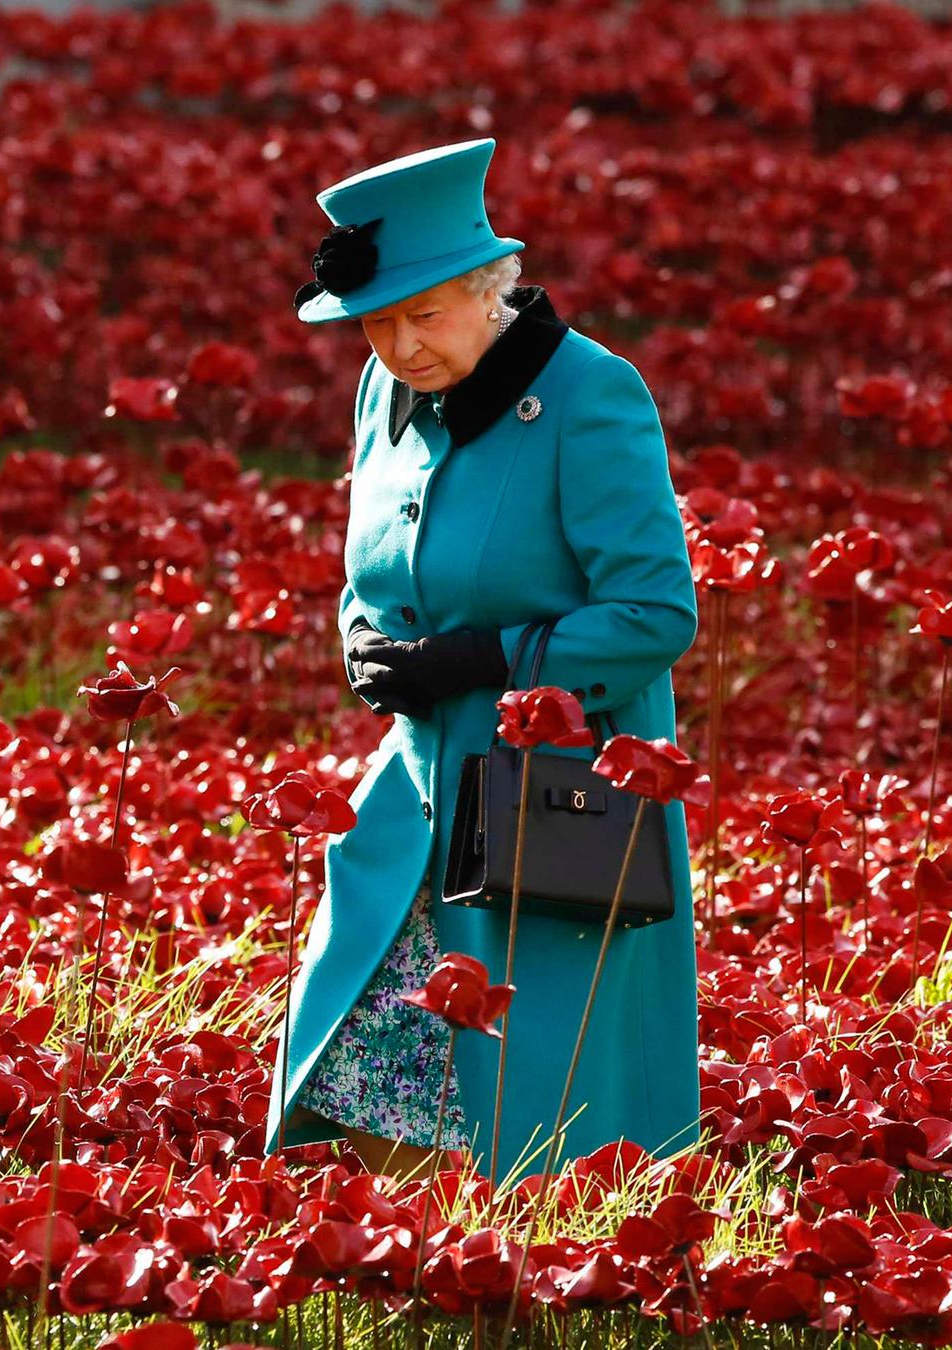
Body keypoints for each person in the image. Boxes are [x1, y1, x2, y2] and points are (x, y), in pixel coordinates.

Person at [260, 139, 702, 1182]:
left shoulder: (591, 395)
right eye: (377, 322)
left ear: (489, 289)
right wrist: (365, 644)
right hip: (418, 785)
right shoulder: (385, 391)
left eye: (426, 315)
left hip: (555, 792)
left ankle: (539, 1277)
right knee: (364, 1038)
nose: (401, 345)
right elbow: (371, 565)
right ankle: (412, 1272)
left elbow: (655, 612)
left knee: (532, 1082)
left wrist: (486, 658)